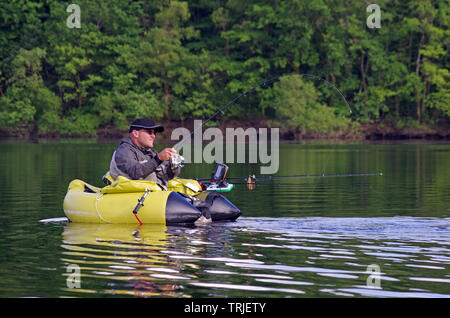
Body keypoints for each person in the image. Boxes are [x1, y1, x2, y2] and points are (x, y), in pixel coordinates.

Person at [108, 118, 181, 189]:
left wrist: (174, 165)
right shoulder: (123, 151)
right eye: (150, 132)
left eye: (154, 133)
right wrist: (158, 158)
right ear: (135, 133)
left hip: (155, 194)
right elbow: (135, 173)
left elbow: (168, 175)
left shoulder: (151, 152)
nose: (153, 136)